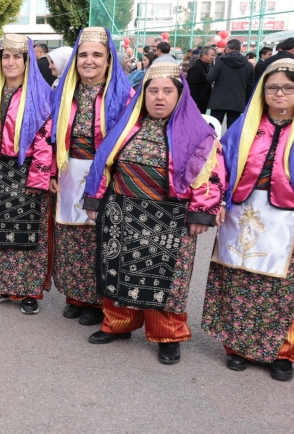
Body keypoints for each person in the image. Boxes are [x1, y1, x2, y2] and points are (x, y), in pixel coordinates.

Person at [203, 59, 294, 381]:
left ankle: (283, 352)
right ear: (262, 91)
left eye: (288, 88)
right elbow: (219, 165)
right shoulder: (245, 126)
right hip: (243, 214)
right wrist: (217, 202)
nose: (280, 94)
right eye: (272, 88)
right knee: (240, 281)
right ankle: (237, 345)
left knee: (285, 287)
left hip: (292, 220)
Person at [82, 61, 225, 365]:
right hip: (121, 211)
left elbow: (210, 173)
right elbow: (103, 164)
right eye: (153, 91)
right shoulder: (127, 126)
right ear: (143, 95)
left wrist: (201, 211)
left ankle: (168, 335)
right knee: (117, 272)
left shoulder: (199, 133)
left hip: (170, 218)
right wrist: (94, 201)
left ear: (180, 94)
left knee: (166, 281)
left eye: (167, 91)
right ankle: (117, 325)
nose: (159, 98)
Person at [49, 26, 134, 326]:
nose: (89, 61)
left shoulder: (125, 94)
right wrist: (50, 170)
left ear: (109, 59)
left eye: (97, 55)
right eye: (83, 54)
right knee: (71, 236)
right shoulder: (64, 91)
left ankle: (98, 302)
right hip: (69, 169)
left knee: (100, 237)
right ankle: (75, 296)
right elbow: (50, 135)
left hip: (105, 174)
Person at [0, 35, 54, 315]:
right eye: (6, 56)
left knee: (27, 233)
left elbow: (45, 139)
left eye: (17, 57)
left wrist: (38, 176)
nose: (10, 62)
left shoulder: (41, 96)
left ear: (27, 60)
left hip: (27, 171)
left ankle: (28, 291)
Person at [206, 39, 255, 129]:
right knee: (232, 129)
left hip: (219, 100)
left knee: (213, 128)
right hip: (238, 101)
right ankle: (229, 144)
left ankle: (211, 143)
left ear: (227, 49)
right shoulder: (248, 65)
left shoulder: (221, 61)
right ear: (240, 49)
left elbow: (210, 78)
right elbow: (250, 86)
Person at [187, 46, 215, 113]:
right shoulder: (196, 68)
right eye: (212, 55)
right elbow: (191, 86)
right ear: (205, 55)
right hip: (198, 103)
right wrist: (195, 101)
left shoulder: (205, 67)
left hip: (202, 102)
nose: (214, 57)